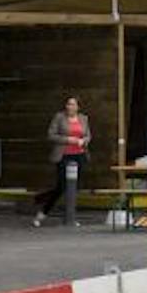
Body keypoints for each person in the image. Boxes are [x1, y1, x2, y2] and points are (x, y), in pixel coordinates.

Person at [33, 96, 91, 227]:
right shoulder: (59, 117)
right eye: (68, 104)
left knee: (75, 187)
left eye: (73, 104)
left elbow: (88, 135)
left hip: (79, 154)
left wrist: (84, 140)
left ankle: (71, 217)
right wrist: (69, 140)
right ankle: (42, 212)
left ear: (78, 107)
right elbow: (51, 135)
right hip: (63, 155)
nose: (70, 107)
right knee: (62, 186)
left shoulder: (84, 118)